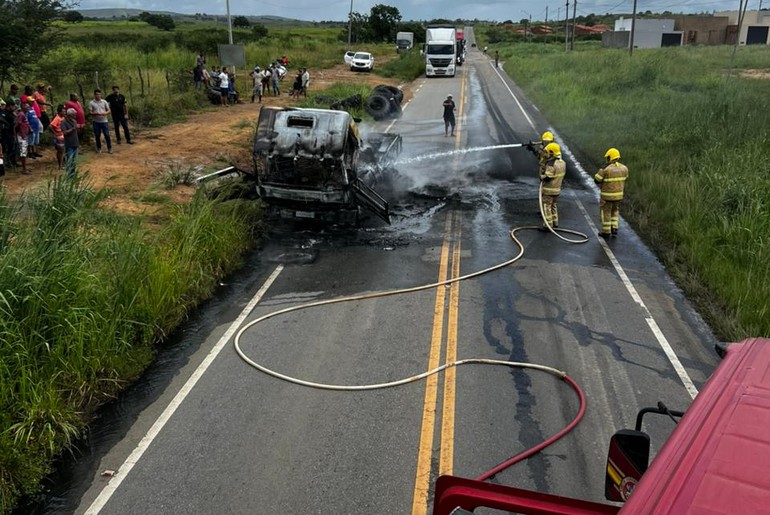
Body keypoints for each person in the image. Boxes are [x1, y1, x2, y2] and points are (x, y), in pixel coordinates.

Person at [594, 147, 629, 238]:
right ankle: (614, 228)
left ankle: (606, 232)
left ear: (610, 157)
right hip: (618, 196)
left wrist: (601, 170)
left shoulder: (606, 169)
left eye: (607, 157)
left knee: (606, 212)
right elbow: (625, 178)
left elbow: (597, 180)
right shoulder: (624, 168)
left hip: (607, 196)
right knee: (615, 211)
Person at [540, 142, 566, 230]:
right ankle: (555, 222)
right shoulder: (562, 163)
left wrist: (542, 176)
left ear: (551, 152)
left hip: (549, 190)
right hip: (557, 189)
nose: (545, 154)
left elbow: (548, 177)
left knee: (547, 206)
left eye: (547, 152)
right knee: (553, 206)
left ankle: (548, 225)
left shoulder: (551, 163)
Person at [88, 89, 112, 154]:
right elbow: (90, 112)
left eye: (99, 94)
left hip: (104, 121)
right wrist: (96, 113)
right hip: (96, 122)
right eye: (96, 94)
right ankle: (99, 148)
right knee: (97, 135)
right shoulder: (91, 103)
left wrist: (106, 113)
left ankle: (109, 148)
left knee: (107, 135)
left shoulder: (104, 102)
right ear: (94, 95)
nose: (98, 96)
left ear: (101, 95)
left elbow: (109, 110)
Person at [61, 108, 80, 178]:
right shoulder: (63, 122)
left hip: (75, 142)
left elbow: (76, 131)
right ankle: (69, 175)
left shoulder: (74, 121)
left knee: (74, 160)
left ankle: (73, 174)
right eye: (74, 115)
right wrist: (73, 129)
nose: (75, 116)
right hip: (69, 144)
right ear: (70, 115)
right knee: (69, 160)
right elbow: (65, 132)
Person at [14, 102, 31, 175]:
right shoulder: (21, 114)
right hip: (21, 136)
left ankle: (25, 168)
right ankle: (24, 169)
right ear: (23, 107)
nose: (28, 108)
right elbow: (16, 125)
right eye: (27, 107)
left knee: (24, 152)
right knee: (23, 152)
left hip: (24, 135)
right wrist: (16, 135)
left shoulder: (24, 114)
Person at [48, 104, 65, 170]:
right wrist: (55, 133)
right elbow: (50, 126)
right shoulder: (57, 118)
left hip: (63, 135)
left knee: (63, 150)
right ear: (59, 112)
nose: (64, 112)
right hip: (59, 136)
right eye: (63, 111)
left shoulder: (62, 117)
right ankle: (60, 165)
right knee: (60, 151)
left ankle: (63, 163)